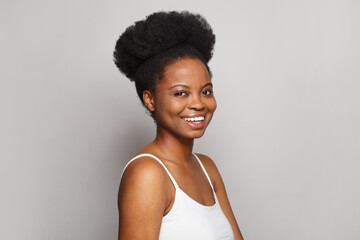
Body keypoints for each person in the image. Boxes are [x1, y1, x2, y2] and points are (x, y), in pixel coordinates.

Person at [113, 11, 244, 240]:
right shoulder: (148, 174)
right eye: (181, 93)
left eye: (206, 91)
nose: (198, 104)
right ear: (150, 100)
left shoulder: (207, 168)